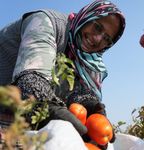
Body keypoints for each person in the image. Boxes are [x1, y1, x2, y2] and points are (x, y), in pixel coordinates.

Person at [0, 0, 125, 147]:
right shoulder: (45, 22)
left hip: (22, 117)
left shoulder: (88, 59)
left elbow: (77, 91)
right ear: (87, 17)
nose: (98, 39)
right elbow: (30, 82)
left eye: (107, 39)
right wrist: (55, 112)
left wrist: (91, 107)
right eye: (97, 27)